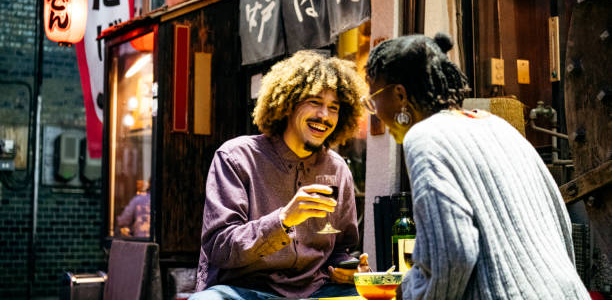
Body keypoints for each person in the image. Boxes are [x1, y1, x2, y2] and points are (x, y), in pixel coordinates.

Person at [363, 33, 590, 299]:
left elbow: (452, 251)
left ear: (400, 95)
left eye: (373, 98)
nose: (375, 110)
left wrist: (414, 293)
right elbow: (561, 221)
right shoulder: (498, 126)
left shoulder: (424, 136)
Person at [190, 50, 371, 300]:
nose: (324, 116)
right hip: (246, 290)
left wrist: (348, 269)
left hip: (315, 291)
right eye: (315, 102)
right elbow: (220, 247)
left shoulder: (337, 168)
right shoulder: (236, 157)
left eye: (334, 108)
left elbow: (341, 247)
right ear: (287, 104)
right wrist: (284, 220)